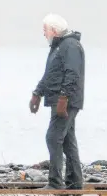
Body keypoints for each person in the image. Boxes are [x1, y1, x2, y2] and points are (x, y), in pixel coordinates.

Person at [29, 13, 85, 190]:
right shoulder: (58, 47)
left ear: (53, 30)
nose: (44, 33)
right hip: (59, 99)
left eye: (45, 30)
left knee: (53, 137)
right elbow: (50, 74)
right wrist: (37, 93)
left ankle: (55, 183)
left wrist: (64, 97)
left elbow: (72, 74)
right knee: (67, 140)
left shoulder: (70, 46)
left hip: (67, 101)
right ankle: (75, 182)